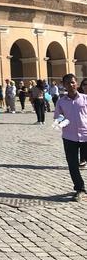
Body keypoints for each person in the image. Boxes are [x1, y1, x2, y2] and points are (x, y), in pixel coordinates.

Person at [54, 74, 87, 202]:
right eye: (67, 83)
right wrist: (62, 123)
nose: (71, 85)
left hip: (86, 135)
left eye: (73, 82)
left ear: (77, 83)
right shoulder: (61, 102)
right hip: (69, 137)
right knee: (73, 164)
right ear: (64, 85)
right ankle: (80, 189)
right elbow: (58, 118)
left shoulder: (85, 98)